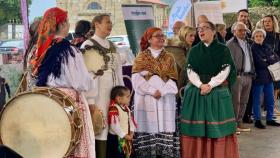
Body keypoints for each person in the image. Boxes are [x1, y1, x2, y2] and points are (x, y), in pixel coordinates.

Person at [32, 7, 96, 158]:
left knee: (54, 144)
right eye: (67, 22)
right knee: (73, 143)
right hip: (69, 102)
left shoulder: (41, 50)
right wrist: (92, 79)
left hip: (48, 101)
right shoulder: (70, 51)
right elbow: (81, 82)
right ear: (62, 25)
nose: (69, 25)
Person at [180, 21, 239, 158]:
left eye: (205, 28)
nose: (201, 31)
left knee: (217, 128)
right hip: (197, 93)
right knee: (197, 129)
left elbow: (226, 70)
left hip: (217, 93)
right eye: (199, 29)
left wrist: (210, 85)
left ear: (213, 32)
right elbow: (190, 70)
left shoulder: (223, 49)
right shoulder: (194, 50)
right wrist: (201, 85)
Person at [81, 14, 124, 158]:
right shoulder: (88, 45)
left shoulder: (111, 45)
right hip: (98, 94)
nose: (110, 25)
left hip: (112, 92)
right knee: (100, 128)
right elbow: (87, 75)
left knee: (114, 125)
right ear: (97, 24)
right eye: (107, 22)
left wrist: (121, 93)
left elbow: (118, 70)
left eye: (111, 22)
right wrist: (91, 101)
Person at [132, 27, 179, 158]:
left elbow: (174, 80)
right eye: (157, 36)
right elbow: (136, 80)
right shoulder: (141, 57)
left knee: (165, 132)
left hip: (165, 100)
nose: (161, 38)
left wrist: (162, 92)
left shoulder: (169, 57)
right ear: (149, 39)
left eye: (162, 35)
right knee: (148, 132)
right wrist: (152, 91)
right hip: (146, 100)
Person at [227, 22, 255, 133]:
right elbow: (228, 62)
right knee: (235, 101)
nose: (243, 32)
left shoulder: (247, 43)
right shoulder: (229, 44)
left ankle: (239, 122)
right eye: (240, 30)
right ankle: (232, 125)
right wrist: (233, 75)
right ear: (234, 32)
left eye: (244, 30)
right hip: (237, 77)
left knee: (244, 101)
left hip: (248, 76)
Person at [251, 29, 280, 129]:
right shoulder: (253, 48)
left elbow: (276, 59)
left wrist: (267, 59)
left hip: (269, 77)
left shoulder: (267, 46)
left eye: (260, 36)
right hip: (258, 78)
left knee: (271, 99)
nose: (259, 38)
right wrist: (268, 59)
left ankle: (270, 118)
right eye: (256, 36)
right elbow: (259, 62)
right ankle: (257, 120)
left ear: (263, 37)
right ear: (253, 38)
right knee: (257, 100)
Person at [107, 86, 136, 158]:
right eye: (128, 97)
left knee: (127, 155)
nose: (130, 98)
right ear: (119, 98)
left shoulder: (126, 108)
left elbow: (131, 122)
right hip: (116, 139)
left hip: (127, 137)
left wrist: (131, 133)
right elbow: (114, 126)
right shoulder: (114, 108)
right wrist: (125, 136)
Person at [259, 15, 280, 115]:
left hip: (276, 64)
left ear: (273, 22)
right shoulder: (261, 35)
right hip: (265, 65)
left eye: (269, 21)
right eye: (265, 21)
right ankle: (265, 108)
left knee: (276, 87)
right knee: (266, 87)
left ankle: (272, 107)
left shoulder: (278, 35)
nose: (267, 23)